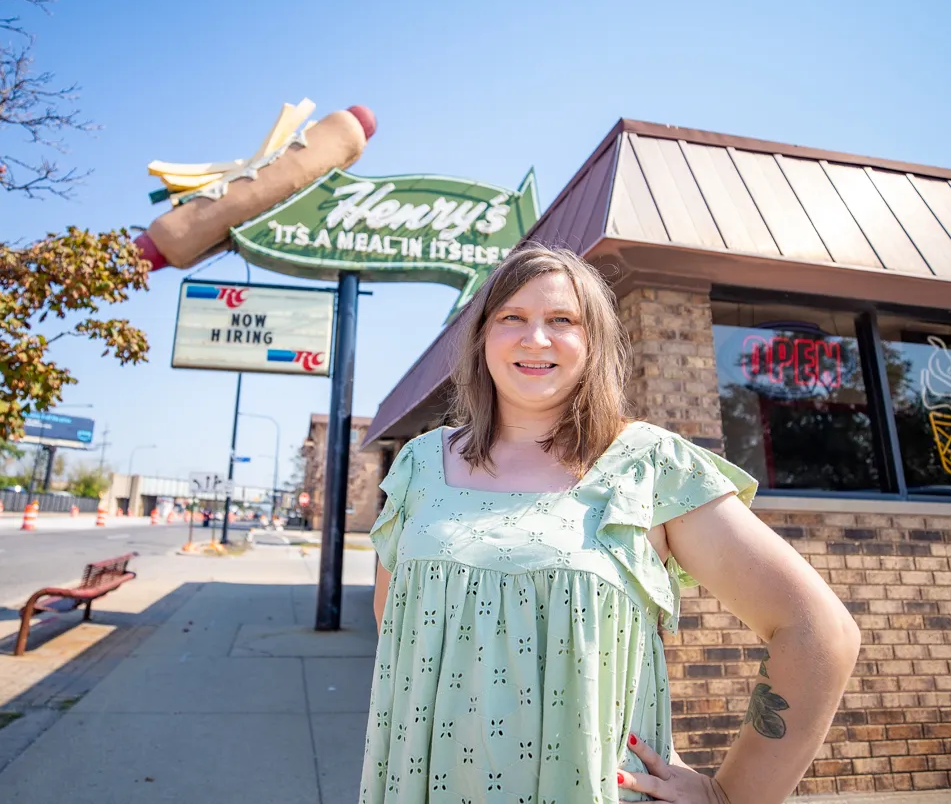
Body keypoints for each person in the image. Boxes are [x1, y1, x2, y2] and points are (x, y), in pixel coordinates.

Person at [361, 245, 859, 804]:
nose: (536, 338)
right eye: (512, 318)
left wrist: (731, 795)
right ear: (481, 336)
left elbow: (818, 632)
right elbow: (400, 627)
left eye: (562, 321)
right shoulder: (420, 464)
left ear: (594, 342)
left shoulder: (651, 466)